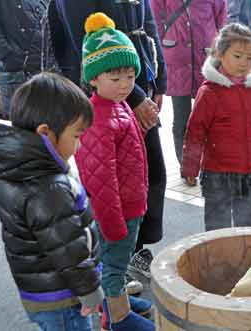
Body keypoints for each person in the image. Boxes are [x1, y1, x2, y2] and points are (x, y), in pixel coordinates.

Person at [50, 0, 167, 280]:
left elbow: (148, 23)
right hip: (113, 86)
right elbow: (84, 42)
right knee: (112, 177)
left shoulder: (125, 87)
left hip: (131, 80)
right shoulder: (104, 105)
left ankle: (131, 248)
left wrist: (158, 78)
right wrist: (134, 94)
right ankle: (115, 262)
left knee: (146, 169)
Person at [0, 72, 103, 331]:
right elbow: (68, 251)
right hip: (62, 297)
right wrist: (90, 292)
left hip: (40, 290)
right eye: (76, 136)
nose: (79, 146)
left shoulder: (17, 169)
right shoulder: (48, 188)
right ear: (46, 133)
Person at [74, 13, 155, 331]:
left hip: (129, 204)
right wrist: (113, 223)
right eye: (114, 76)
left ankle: (116, 298)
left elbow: (124, 154)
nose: (124, 85)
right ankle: (118, 318)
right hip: (117, 212)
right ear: (93, 78)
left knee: (116, 263)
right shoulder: (97, 118)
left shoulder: (117, 106)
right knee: (113, 264)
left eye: (129, 76)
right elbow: (100, 180)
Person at [181, 23, 251, 231]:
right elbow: (195, 133)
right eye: (237, 56)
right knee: (217, 228)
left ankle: (243, 262)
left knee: (246, 227)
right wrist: (190, 167)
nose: (244, 63)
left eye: (249, 57)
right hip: (217, 174)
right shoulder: (209, 92)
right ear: (220, 54)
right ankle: (217, 262)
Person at [151, 0, 226, 172]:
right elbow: (155, 22)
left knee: (210, 117)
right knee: (181, 118)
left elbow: (221, 20)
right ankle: (188, 166)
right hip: (178, 62)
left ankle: (210, 162)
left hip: (205, 59)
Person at [0, 0, 57, 119]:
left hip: (43, 70)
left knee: (44, 123)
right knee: (19, 127)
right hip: (16, 73)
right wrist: (10, 57)